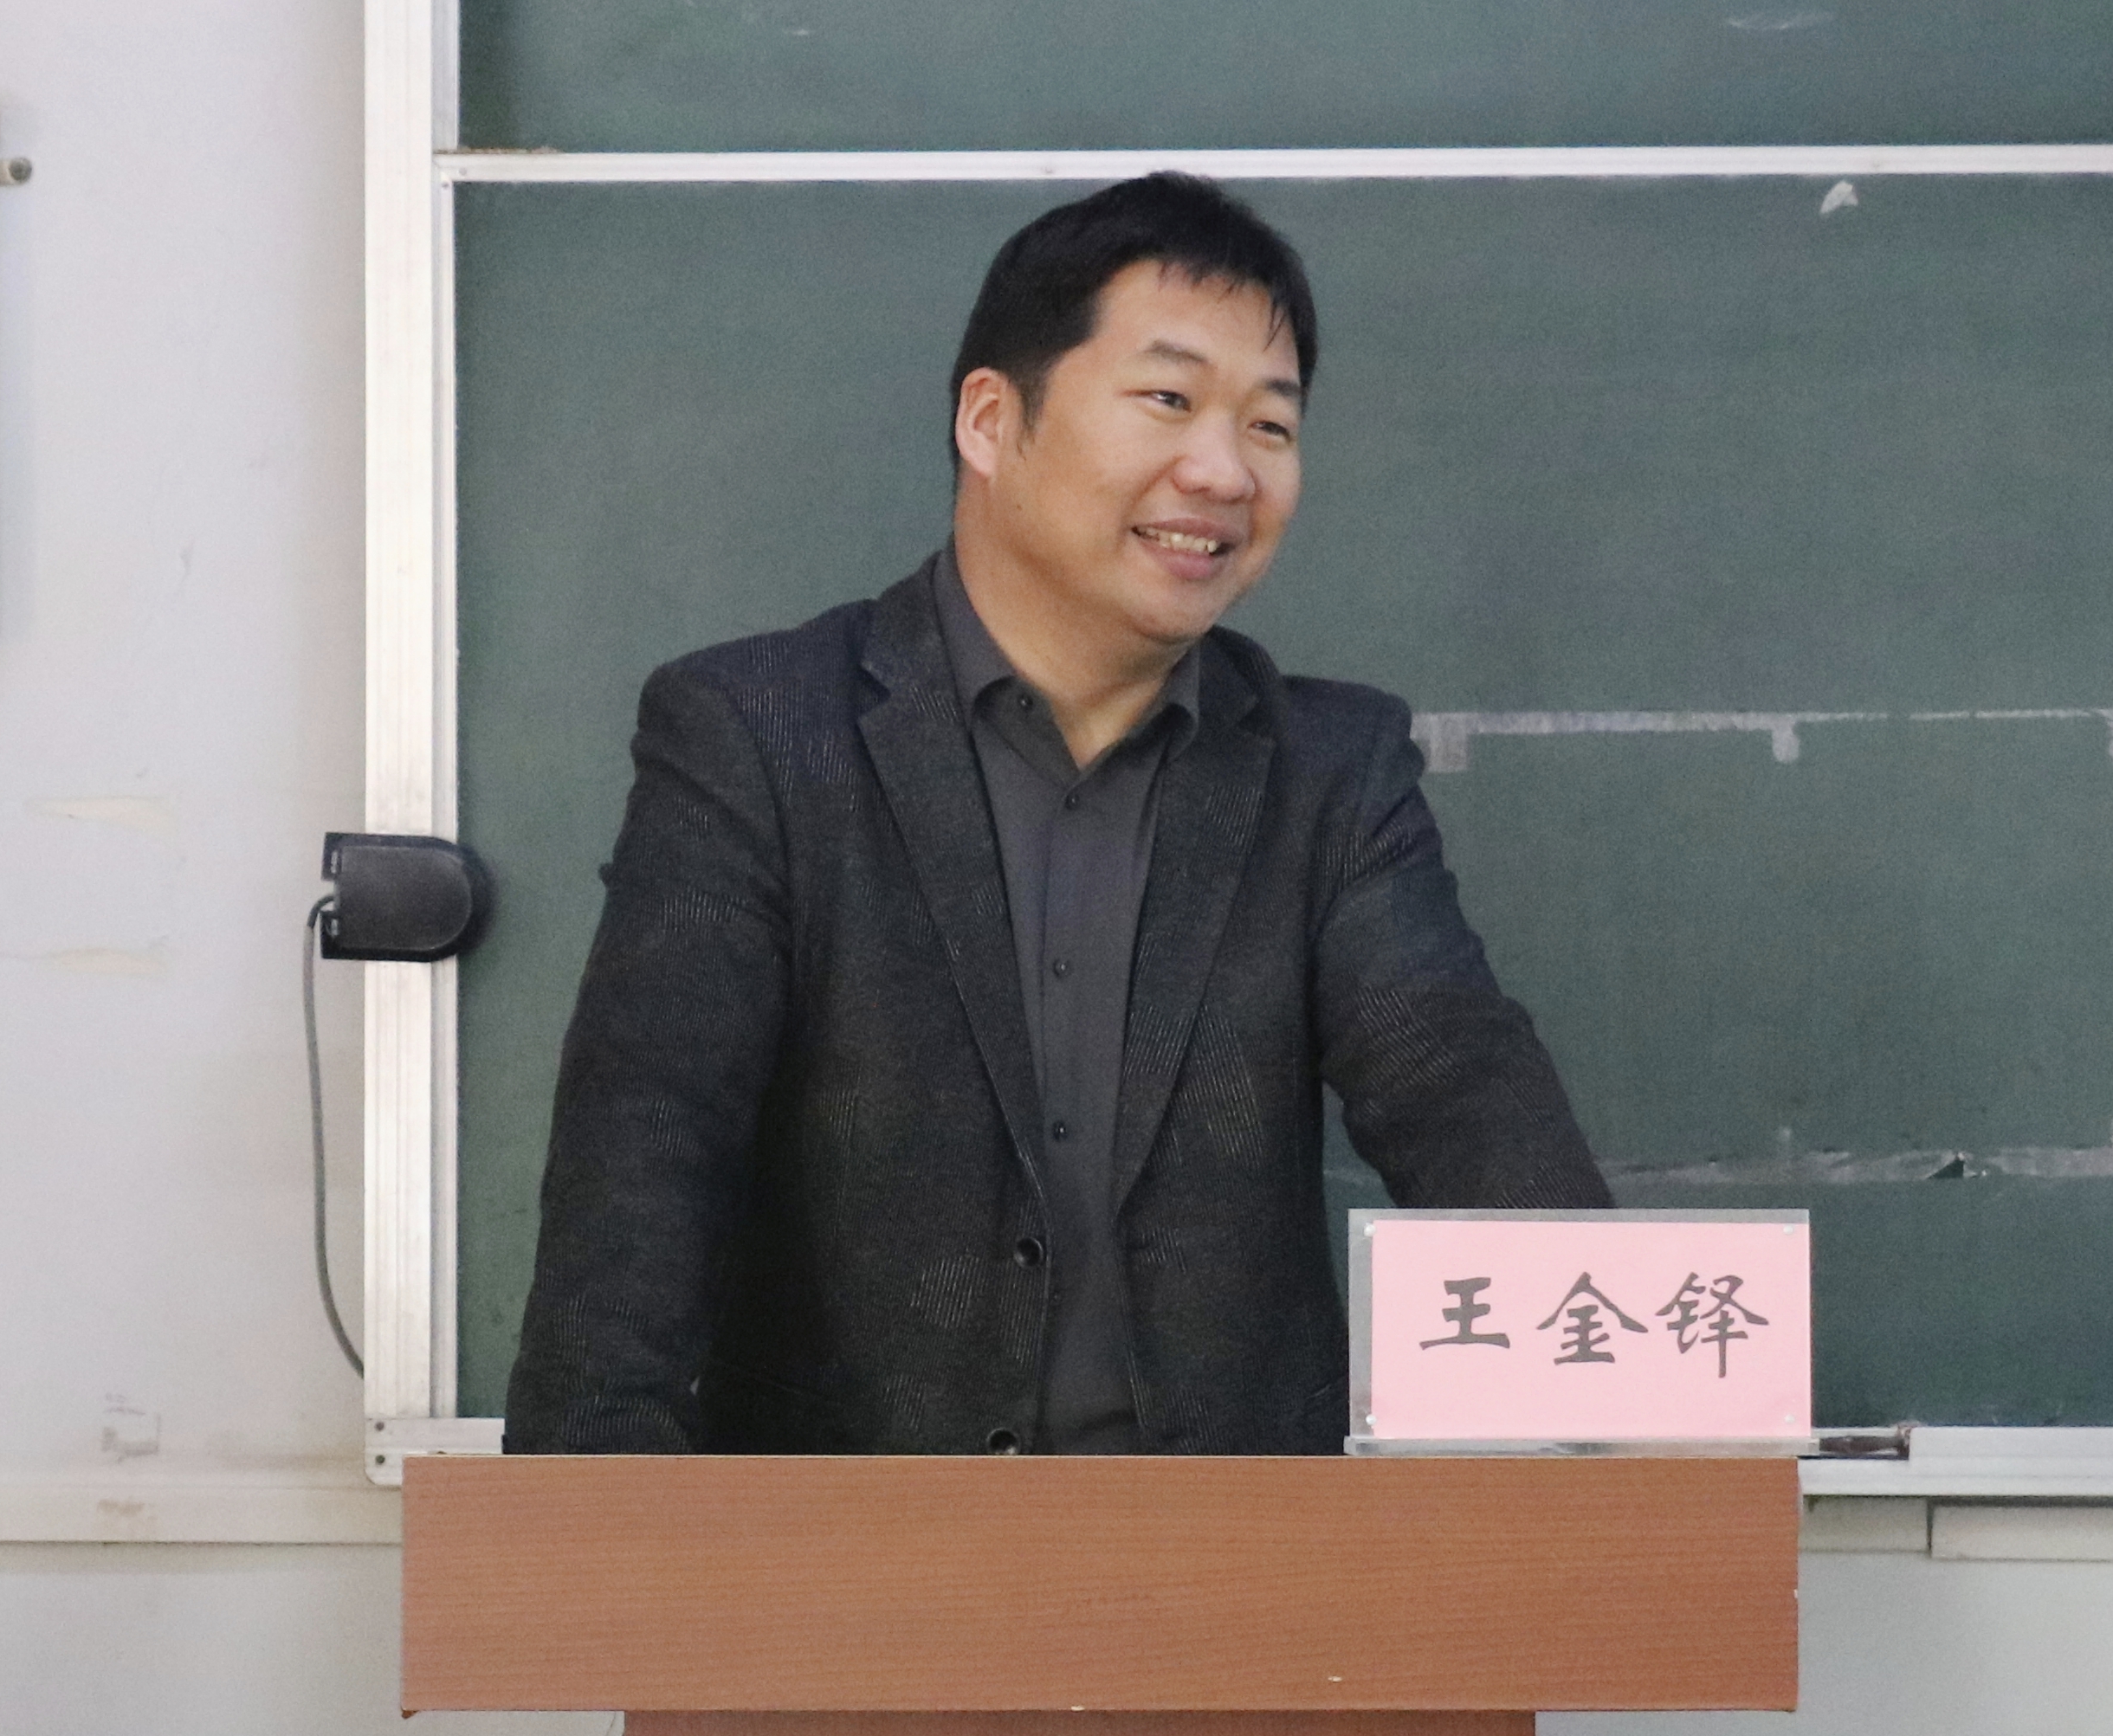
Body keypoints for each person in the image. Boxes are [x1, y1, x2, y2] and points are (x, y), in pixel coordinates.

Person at [503, 173, 1608, 1458]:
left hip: (1234, 1559)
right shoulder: (758, 736)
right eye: (1169, 400)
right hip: (850, 1555)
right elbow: (646, 1162)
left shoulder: (1332, 770)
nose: (1223, 471)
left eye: (1270, 424)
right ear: (991, 420)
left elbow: (1458, 1086)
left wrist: (1628, 1415)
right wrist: (598, 1539)